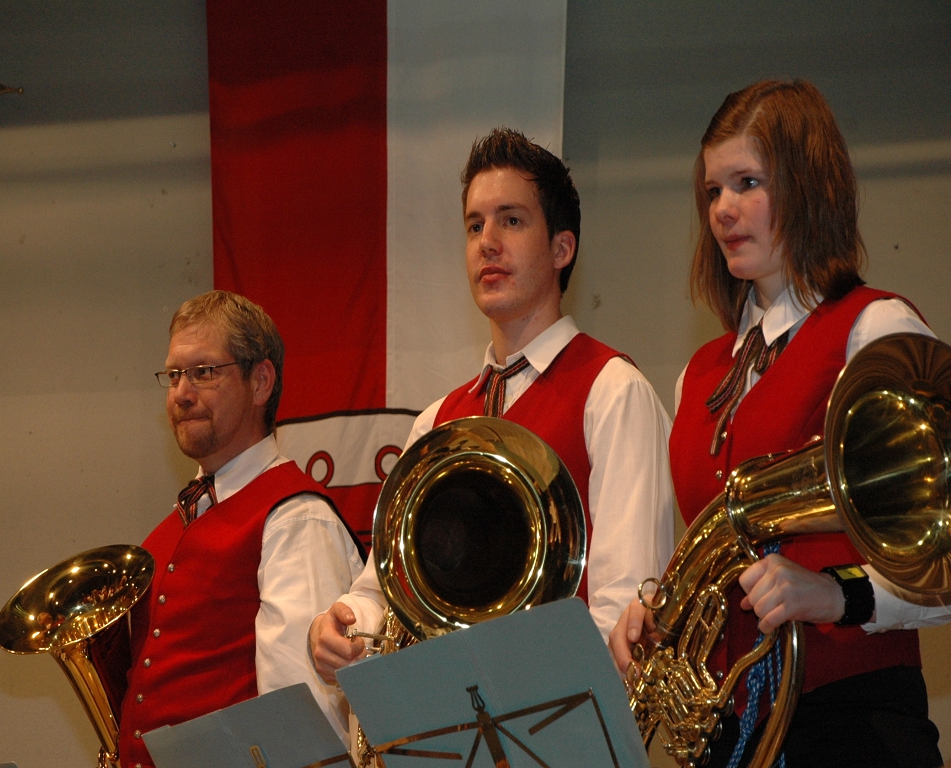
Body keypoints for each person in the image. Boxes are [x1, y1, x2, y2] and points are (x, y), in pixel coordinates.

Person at [609, 80, 947, 768]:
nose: (723, 210)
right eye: (713, 191)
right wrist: (663, 621)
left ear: (807, 187)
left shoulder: (875, 328)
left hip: (856, 729)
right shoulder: (700, 374)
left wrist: (836, 594)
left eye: (748, 183)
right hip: (734, 737)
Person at [310, 127, 675, 684]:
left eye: (512, 220)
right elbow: (384, 592)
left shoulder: (613, 390)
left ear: (562, 248)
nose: (487, 242)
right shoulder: (436, 421)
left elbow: (624, 611)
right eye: (475, 225)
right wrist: (343, 625)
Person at [118, 290, 366, 768]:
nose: (182, 393)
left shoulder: (295, 518)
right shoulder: (174, 524)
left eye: (204, 372)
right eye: (174, 375)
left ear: (260, 382)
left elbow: (300, 727)